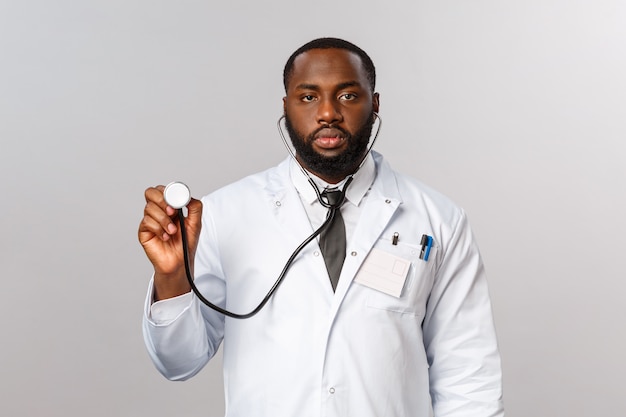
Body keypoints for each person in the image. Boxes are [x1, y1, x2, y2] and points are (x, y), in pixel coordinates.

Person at [139, 37, 504, 417]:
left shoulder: (439, 219)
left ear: (374, 104)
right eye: (308, 97)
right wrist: (172, 278)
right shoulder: (223, 213)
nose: (328, 113)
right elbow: (178, 362)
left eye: (347, 96)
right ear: (286, 107)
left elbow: (468, 374)